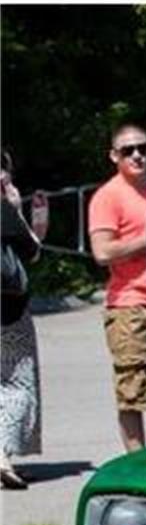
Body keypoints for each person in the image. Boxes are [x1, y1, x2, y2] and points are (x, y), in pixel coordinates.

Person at [86, 122, 146, 452]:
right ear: (114, 156)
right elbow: (102, 252)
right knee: (133, 392)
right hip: (129, 307)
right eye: (128, 150)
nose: (137, 155)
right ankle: (136, 463)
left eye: (144, 148)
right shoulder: (107, 197)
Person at [1, 150, 47, 489]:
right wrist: (17, 210)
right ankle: (2, 457)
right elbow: (32, 252)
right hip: (8, 314)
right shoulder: (4, 210)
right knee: (17, 382)